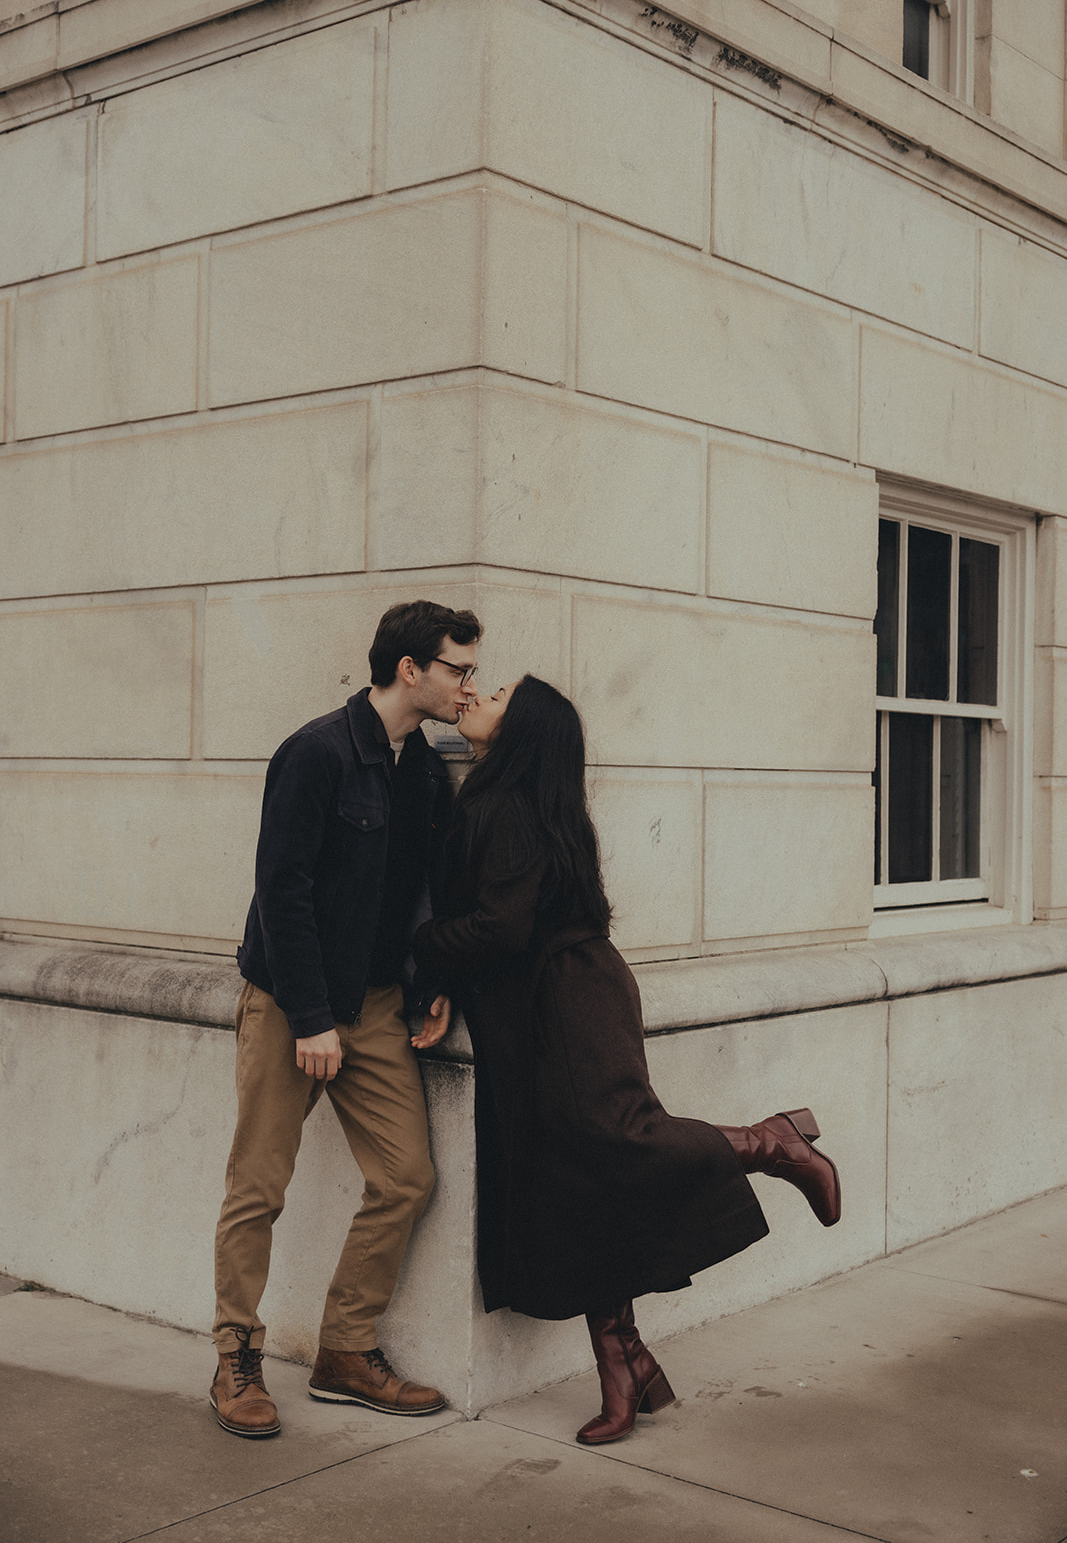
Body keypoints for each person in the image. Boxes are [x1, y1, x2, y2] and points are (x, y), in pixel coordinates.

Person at [412, 675, 842, 1447]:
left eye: (498, 694)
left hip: (570, 1001)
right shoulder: (508, 798)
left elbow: (498, 927)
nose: (478, 694)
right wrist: (444, 983)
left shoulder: (507, 805)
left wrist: (414, 952)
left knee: (623, 1137)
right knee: (572, 1181)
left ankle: (770, 1143)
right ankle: (625, 1364)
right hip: (533, 1009)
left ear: (524, 730)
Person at [210, 600, 482, 1437]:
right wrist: (310, 1017)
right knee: (258, 1186)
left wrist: (433, 983)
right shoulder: (317, 752)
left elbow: (422, 894)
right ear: (410, 670)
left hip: (373, 1012)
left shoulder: (423, 768)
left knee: (406, 1178)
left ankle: (344, 1351)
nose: (467, 686)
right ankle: (235, 1357)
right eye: (457, 670)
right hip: (296, 1005)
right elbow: (281, 889)